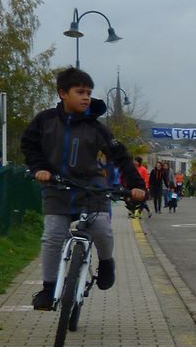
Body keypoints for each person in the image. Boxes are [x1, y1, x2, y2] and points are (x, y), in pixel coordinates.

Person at [20, 67, 145, 311]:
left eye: (89, 92)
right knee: (53, 236)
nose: (86, 97)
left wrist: (136, 186)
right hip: (56, 186)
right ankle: (48, 289)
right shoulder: (45, 121)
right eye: (80, 92)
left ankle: (106, 263)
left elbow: (120, 156)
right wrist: (39, 168)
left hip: (91, 188)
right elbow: (29, 145)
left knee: (102, 229)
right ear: (62, 93)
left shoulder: (96, 128)